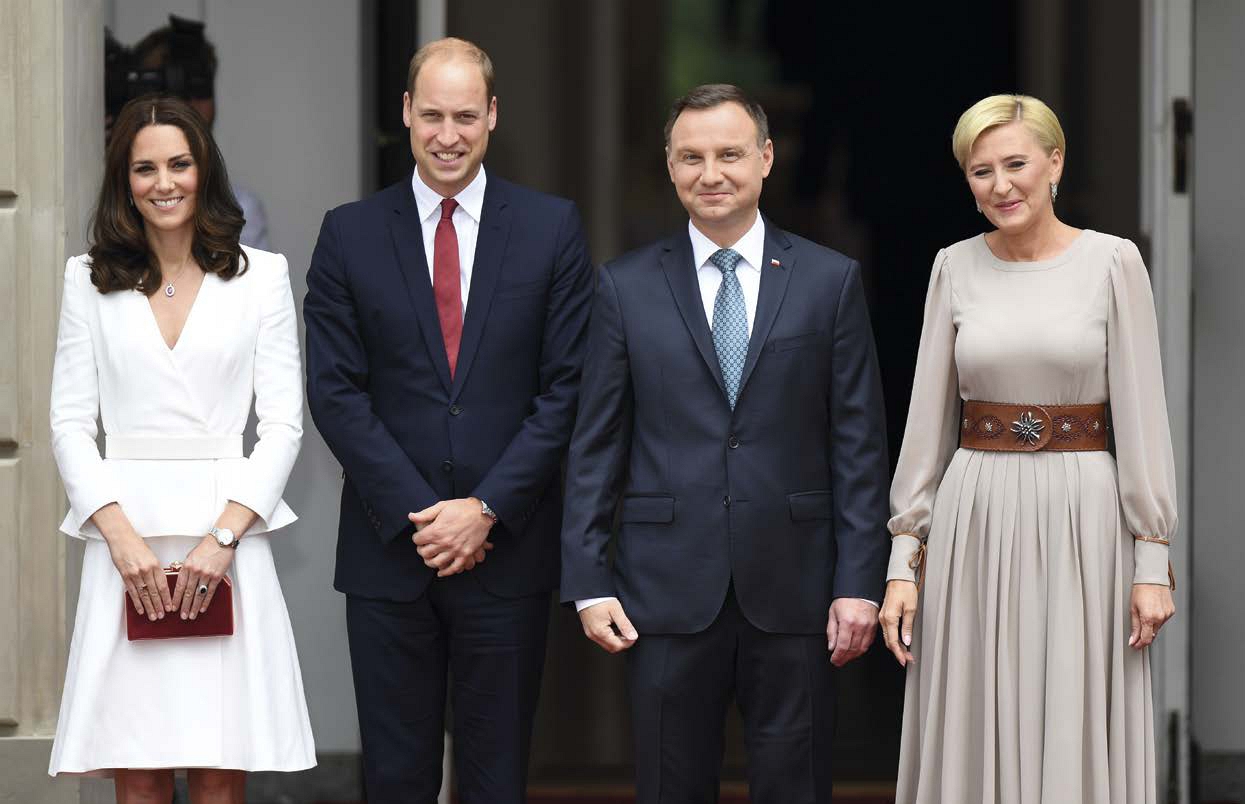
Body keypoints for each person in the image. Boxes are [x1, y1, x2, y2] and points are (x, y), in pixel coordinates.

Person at [561, 83, 890, 804]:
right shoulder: (623, 287)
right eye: (691, 157)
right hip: (664, 588)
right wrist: (587, 581)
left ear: (765, 159)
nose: (710, 173)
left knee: (794, 785)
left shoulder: (829, 282)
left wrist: (859, 582)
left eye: (729, 155)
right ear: (671, 167)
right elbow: (596, 444)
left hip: (798, 585)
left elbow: (859, 445)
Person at [303, 38, 593, 803]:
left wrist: (485, 510)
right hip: (388, 556)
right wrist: (425, 517)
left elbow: (565, 389)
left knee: (496, 778)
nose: (447, 134)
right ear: (405, 113)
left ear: (493, 116)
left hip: (507, 555)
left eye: (465, 115)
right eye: (430, 114)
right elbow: (334, 392)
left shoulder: (550, 228)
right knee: (394, 778)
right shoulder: (349, 233)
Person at [879, 94, 1177, 804]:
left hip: (1083, 517)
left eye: (1015, 164)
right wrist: (902, 559)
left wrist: (1152, 559)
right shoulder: (951, 266)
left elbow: (1142, 414)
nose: (1000, 185)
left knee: (1074, 714)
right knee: (972, 711)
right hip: (974, 516)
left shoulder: (1113, 262)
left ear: (1054, 163)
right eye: (980, 171)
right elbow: (927, 422)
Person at [47, 95, 314, 800]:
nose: (163, 183)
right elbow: (70, 422)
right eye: (144, 168)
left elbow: (285, 424)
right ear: (123, 181)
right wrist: (119, 537)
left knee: (220, 769)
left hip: (226, 544)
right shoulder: (87, 278)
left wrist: (224, 536)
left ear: (204, 170)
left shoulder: (264, 277)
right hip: (125, 548)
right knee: (137, 770)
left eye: (178, 163)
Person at [126, 15, 272, 250]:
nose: (186, 107)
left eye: (199, 88)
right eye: (170, 90)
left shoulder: (241, 209)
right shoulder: (99, 186)